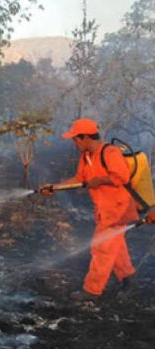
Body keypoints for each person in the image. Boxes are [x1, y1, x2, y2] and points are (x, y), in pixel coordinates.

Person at [39, 118, 139, 302]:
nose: (74, 143)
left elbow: (122, 177)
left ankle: (92, 291)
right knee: (116, 247)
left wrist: (100, 180)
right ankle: (129, 281)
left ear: (85, 137)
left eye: (75, 139)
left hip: (118, 209)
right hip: (104, 210)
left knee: (101, 248)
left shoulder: (110, 152)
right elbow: (78, 179)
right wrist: (54, 187)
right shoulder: (86, 157)